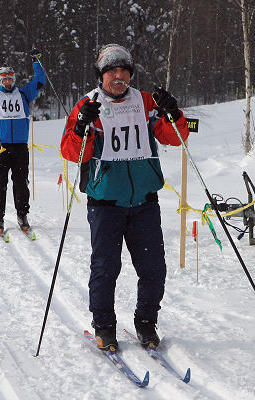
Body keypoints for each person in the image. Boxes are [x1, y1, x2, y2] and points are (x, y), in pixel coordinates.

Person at [61, 44, 190, 350]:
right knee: (105, 269)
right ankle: (104, 326)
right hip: (106, 203)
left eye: (124, 71)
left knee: (153, 268)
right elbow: (71, 151)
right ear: (101, 76)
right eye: (112, 71)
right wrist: (82, 125)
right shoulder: (87, 106)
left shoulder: (145, 102)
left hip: (144, 202)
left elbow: (174, 137)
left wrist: (173, 112)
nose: (118, 77)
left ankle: (146, 321)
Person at [0, 44, 46, 233]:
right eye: (4, 78)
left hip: (20, 146)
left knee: (21, 182)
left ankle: (22, 214)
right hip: (1, 146)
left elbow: (40, 81)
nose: (7, 81)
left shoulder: (23, 93)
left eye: (10, 78)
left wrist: (36, 61)